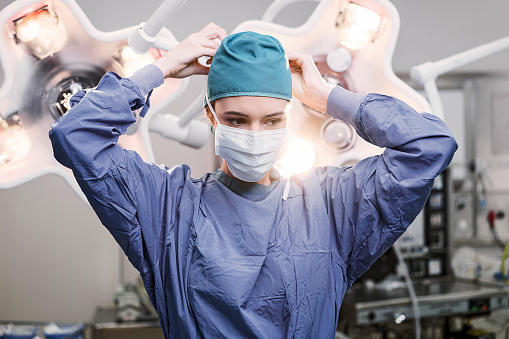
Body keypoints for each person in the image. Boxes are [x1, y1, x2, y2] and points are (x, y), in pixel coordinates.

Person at [49, 22, 457, 338]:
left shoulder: (332, 207)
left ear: (289, 118)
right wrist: (162, 68)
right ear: (210, 116)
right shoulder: (167, 208)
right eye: (236, 120)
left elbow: (431, 146)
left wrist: (327, 96)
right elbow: (76, 135)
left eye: (272, 120)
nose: (255, 134)